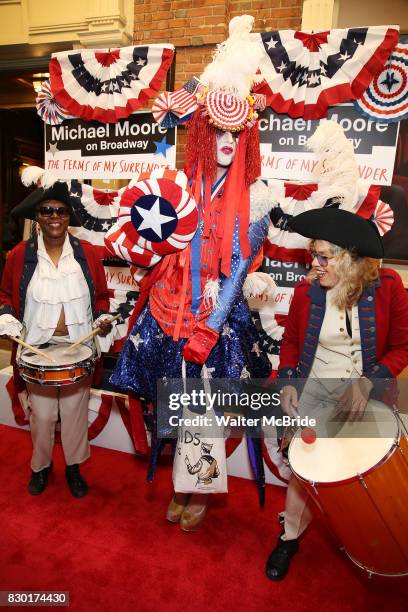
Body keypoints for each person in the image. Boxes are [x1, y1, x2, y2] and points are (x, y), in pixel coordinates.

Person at [265, 207, 408, 580]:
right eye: (313, 254)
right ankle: (289, 535)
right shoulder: (306, 292)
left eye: (324, 256)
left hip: (366, 396)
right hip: (315, 392)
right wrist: (289, 382)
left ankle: (366, 535)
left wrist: (368, 381)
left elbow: (403, 347)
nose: (315, 264)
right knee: (304, 472)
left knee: (361, 474)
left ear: (348, 259)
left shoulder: (389, 287)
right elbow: (292, 343)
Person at [0, 181, 113, 497]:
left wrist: (103, 319)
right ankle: (41, 466)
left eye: (61, 211)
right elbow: (6, 294)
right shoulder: (20, 255)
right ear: (37, 216)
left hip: (78, 348)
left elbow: (102, 297)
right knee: (44, 416)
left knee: (75, 414)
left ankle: (74, 468)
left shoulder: (86, 254)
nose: (54, 216)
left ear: (69, 217)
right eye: (46, 210)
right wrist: (7, 318)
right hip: (37, 351)